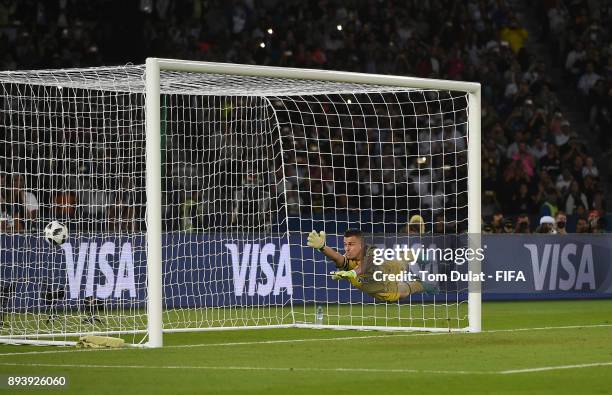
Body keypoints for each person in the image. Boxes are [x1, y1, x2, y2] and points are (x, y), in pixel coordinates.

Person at [306, 229, 437, 302]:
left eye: (351, 244)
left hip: (389, 270)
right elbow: (336, 257)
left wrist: (352, 273)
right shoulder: (348, 261)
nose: (346, 248)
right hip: (383, 290)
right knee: (405, 291)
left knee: (401, 261)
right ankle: (422, 284)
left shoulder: (371, 251)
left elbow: (365, 266)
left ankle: (417, 256)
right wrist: (323, 247)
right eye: (345, 244)